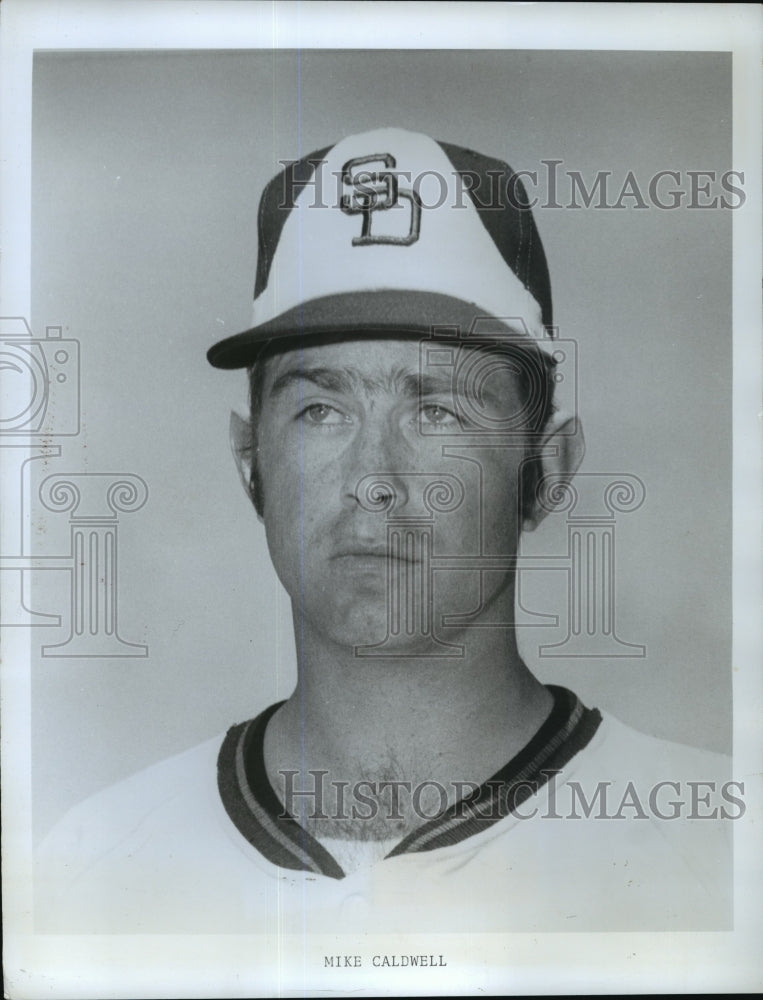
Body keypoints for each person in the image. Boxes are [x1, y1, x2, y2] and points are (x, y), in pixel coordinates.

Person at [36, 127, 733, 934]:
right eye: (319, 410)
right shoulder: (88, 864)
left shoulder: (719, 848)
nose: (373, 477)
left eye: (436, 409)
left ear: (546, 470)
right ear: (246, 459)